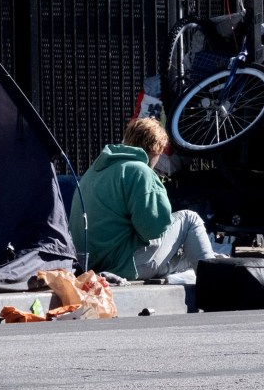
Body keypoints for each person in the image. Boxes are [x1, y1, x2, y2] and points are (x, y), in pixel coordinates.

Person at [68, 117, 214, 281]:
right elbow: (153, 230)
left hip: (91, 265)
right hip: (123, 266)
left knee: (192, 253)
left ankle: (211, 266)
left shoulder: (96, 170)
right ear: (156, 149)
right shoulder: (139, 171)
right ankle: (214, 284)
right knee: (190, 218)